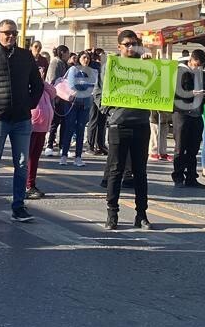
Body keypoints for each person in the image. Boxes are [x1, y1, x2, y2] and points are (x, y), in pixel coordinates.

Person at [0, 19, 42, 226]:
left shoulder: (25, 56)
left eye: (13, 33)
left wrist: (28, 104)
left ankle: (19, 207)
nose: (10, 36)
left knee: (21, 164)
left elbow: (37, 85)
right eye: (6, 33)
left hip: (22, 119)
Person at [101, 30, 154, 230]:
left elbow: (159, 87)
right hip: (118, 124)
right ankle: (112, 213)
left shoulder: (146, 65)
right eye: (127, 44)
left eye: (134, 43)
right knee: (116, 170)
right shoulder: (110, 67)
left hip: (141, 123)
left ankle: (141, 214)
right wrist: (109, 111)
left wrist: (151, 65)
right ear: (119, 47)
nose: (131, 47)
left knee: (140, 172)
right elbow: (99, 92)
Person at [172, 49, 205, 188]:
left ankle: (191, 177)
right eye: (195, 64)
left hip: (197, 113)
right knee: (180, 147)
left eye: (200, 65)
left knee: (193, 149)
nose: (197, 68)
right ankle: (178, 176)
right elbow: (176, 92)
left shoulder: (202, 74)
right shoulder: (180, 72)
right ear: (190, 61)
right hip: (181, 113)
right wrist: (193, 93)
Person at [60, 56, 96, 166]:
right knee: (69, 129)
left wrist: (82, 84)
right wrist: (86, 84)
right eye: (84, 57)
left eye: (88, 58)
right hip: (72, 103)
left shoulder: (92, 71)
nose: (86, 60)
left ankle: (78, 157)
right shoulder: (73, 70)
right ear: (79, 59)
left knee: (81, 130)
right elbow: (72, 85)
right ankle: (64, 155)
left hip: (85, 104)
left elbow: (93, 86)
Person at [26, 67, 55, 200]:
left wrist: (42, 82)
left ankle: (31, 183)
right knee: (27, 158)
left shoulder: (43, 86)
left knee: (35, 158)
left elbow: (53, 92)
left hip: (43, 127)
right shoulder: (28, 84)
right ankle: (26, 185)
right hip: (32, 125)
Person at [45, 45, 70, 153]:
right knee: (55, 122)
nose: (68, 55)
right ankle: (49, 145)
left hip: (63, 96)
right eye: (67, 53)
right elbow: (53, 80)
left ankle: (62, 146)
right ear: (63, 53)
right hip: (56, 97)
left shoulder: (63, 63)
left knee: (64, 121)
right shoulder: (56, 62)